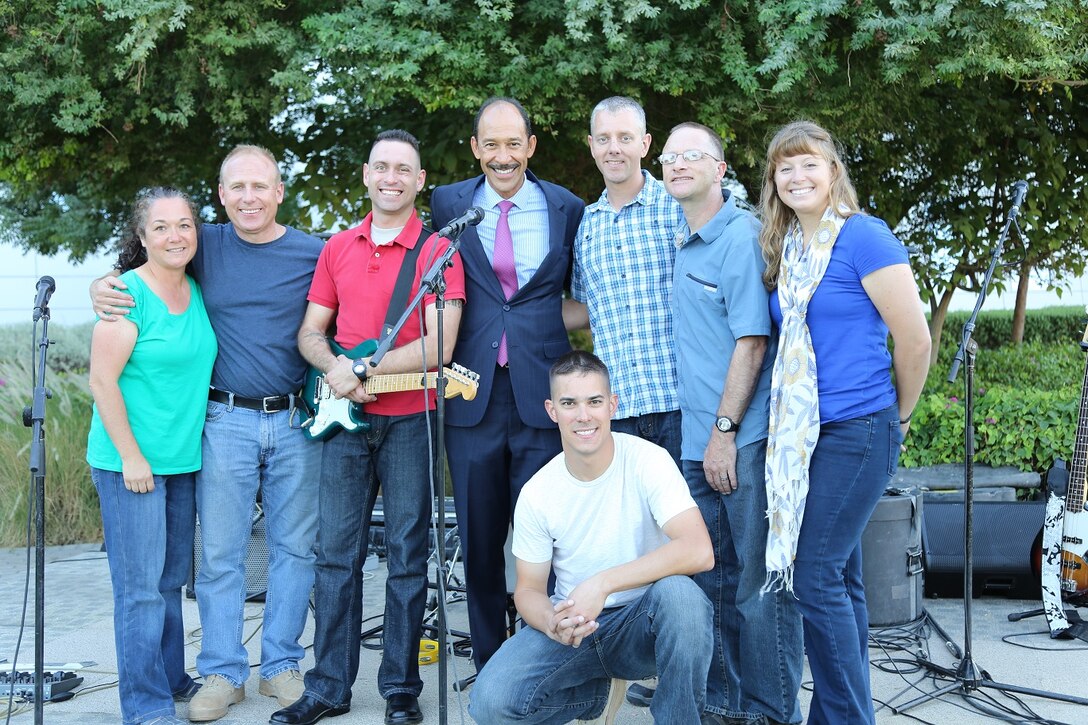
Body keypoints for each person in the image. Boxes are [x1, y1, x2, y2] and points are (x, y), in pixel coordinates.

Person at [91, 145, 324, 722]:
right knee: (218, 556)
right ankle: (222, 672)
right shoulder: (203, 246)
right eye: (237, 187)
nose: (249, 197)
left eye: (261, 186)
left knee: (294, 550)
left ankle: (281, 666)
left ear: (279, 192)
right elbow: (140, 279)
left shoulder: (314, 253)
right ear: (222, 196)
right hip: (223, 423)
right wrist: (102, 284)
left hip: (296, 421)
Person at [271, 129, 465, 725]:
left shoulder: (439, 253)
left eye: (404, 169)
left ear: (419, 181)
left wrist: (366, 366)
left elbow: (440, 344)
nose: (391, 178)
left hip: (411, 421)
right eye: (382, 167)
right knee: (336, 558)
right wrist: (335, 369)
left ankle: (400, 690)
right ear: (365, 174)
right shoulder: (338, 248)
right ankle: (328, 686)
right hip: (345, 425)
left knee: (408, 558)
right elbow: (311, 332)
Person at [758, 121, 931, 725]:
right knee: (843, 579)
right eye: (785, 167)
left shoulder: (864, 238)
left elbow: (914, 341)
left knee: (814, 576)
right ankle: (841, 715)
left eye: (809, 164)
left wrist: (899, 418)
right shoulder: (791, 250)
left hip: (859, 429)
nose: (797, 176)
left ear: (834, 172)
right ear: (773, 181)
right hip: (805, 436)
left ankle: (844, 718)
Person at [469, 350, 714, 725]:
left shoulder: (649, 460)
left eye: (594, 402)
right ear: (552, 410)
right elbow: (529, 589)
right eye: (569, 403)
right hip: (575, 627)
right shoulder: (538, 491)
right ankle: (591, 696)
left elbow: (698, 550)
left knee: (683, 598)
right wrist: (551, 620)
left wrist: (602, 584)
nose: (583, 416)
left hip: (642, 623)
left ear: (612, 404)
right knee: (490, 704)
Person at [430, 97, 585, 672]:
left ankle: (540, 656)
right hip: (468, 391)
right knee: (477, 533)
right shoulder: (448, 203)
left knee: (544, 533)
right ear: (475, 149)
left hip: (543, 393)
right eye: (490, 144)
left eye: (513, 143)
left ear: (531, 147)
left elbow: (577, 295)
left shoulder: (567, 207)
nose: (502, 155)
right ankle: (492, 663)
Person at [663, 122, 803, 725]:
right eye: (669, 157)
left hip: (740, 440)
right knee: (712, 581)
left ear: (721, 169)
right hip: (695, 441)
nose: (678, 165)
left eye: (693, 155)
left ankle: (772, 712)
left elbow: (751, 342)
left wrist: (724, 432)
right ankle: (725, 704)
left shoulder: (739, 236)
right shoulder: (682, 239)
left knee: (760, 586)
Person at [87, 187, 217, 725]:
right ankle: (144, 705)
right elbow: (101, 379)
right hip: (130, 464)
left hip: (180, 463)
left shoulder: (196, 287)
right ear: (141, 237)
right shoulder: (127, 296)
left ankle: (169, 676)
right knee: (139, 591)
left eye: (184, 224)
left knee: (167, 584)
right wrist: (132, 456)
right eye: (161, 226)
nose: (175, 235)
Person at [566, 96, 686, 467]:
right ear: (591, 145)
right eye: (603, 138)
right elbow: (587, 308)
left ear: (646, 144)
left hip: (682, 406)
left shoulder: (678, 207)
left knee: (693, 524)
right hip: (618, 413)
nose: (613, 148)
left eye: (624, 137)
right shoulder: (584, 226)